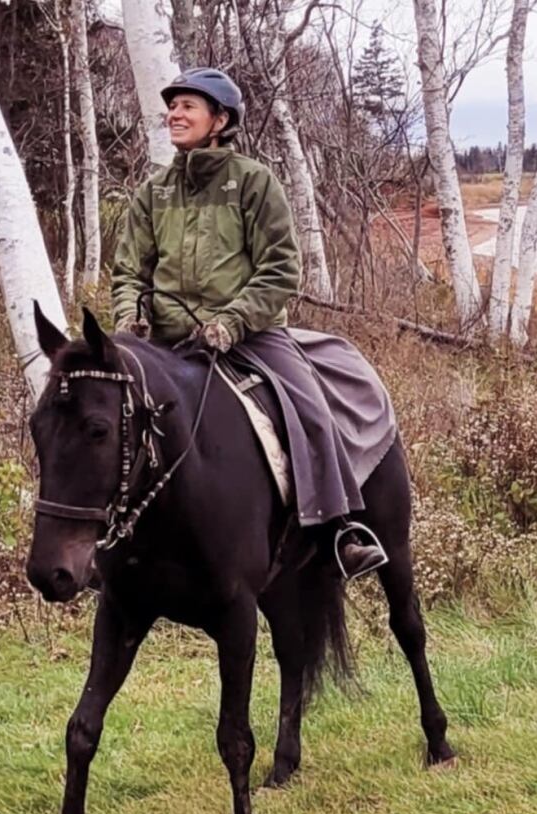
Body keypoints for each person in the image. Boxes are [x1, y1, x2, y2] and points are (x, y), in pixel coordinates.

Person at [111, 67, 389, 580]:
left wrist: (231, 322)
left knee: (310, 409)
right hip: (169, 342)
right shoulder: (155, 192)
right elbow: (129, 269)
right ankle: (104, 541)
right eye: (172, 106)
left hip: (252, 336)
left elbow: (281, 269)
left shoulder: (255, 183)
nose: (174, 113)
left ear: (220, 119)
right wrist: (129, 314)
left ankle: (340, 529)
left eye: (187, 106)